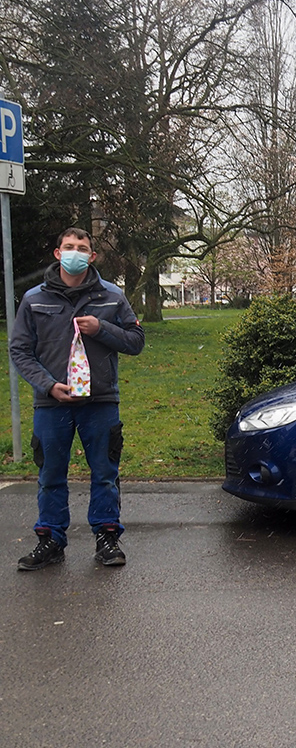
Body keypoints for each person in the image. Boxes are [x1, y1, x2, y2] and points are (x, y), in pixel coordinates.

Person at [11, 227, 145, 570]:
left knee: (104, 473)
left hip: (100, 402)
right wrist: (47, 385)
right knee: (50, 475)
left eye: (82, 248)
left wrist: (102, 329)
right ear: (57, 254)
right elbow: (20, 350)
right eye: (69, 247)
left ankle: (107, 538)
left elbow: (135, 341)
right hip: (51, 403)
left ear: (92, 256)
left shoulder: (112, 296)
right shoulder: (34, 299)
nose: (75, 252)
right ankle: (51, 540)